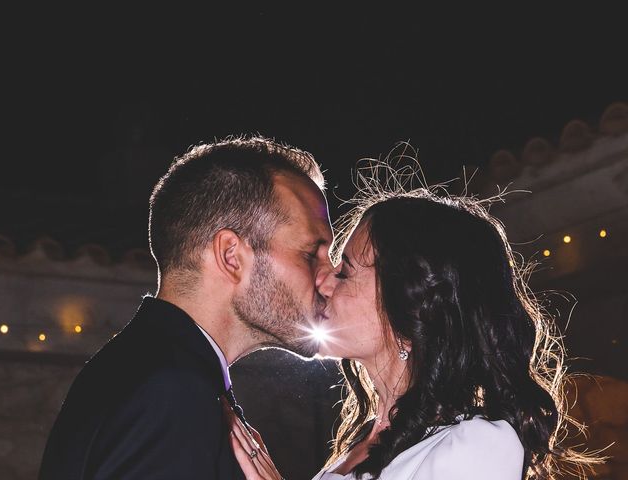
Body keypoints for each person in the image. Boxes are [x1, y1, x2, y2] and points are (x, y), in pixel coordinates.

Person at [229, 164, 599, 479]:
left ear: (410, 310)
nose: (323, 281)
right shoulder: (359, 444)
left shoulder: (480, 445)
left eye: (345, 272)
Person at [39, 136, 335, 479]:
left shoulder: (147, 369)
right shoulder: (171, 392)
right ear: (231, 256)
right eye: (311, 254)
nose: (329, 279)